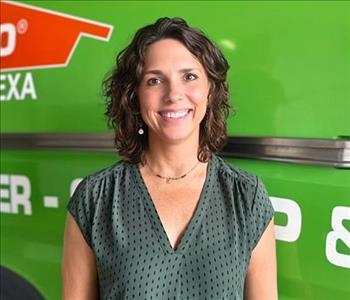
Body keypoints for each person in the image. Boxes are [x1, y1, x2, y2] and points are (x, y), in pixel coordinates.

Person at [62, 17, 277, 300]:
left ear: (210, 90)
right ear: (134, 96)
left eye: (189, 76)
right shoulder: (95, 198)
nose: (174, 94)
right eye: (154, 80)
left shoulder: (246, 197)